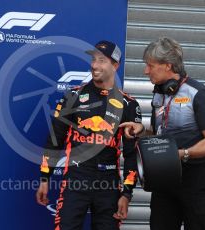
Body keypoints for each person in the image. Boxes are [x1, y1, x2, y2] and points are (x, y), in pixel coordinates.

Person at [35, 40, 142, 230]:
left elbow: (131, 154)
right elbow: (54, 140)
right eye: (93, 59)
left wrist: (127, 194)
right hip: (76, 179)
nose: (94, 65)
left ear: (115, 65)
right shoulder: (73, 97)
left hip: (108, 184)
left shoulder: (129, 105)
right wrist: (44, 178)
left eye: (102, 60)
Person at [119, 37, 205, 230]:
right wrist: (142, 130)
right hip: (164, 177)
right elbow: (159, 133)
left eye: (150, 65)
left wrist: (181, 154)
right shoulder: (159, 94)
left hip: (195, 177)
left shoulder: (198, 93)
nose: (145, 71)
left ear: (167, 66)